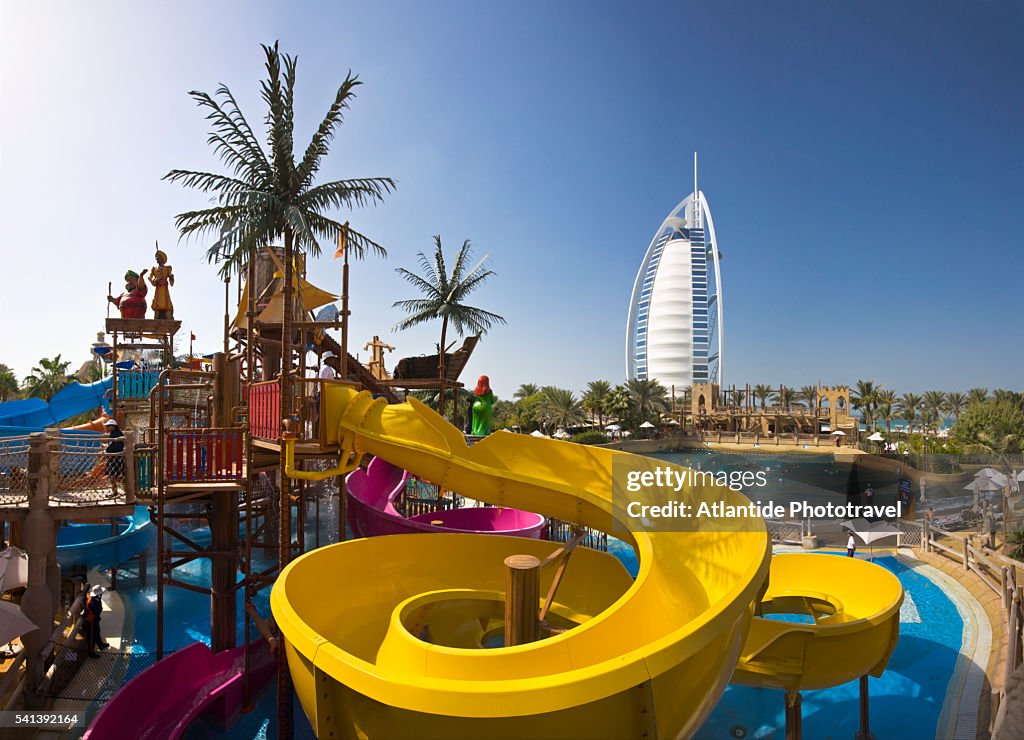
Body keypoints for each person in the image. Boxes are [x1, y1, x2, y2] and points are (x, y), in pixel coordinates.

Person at [148, 248, 175, 320]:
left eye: (158, 258)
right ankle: (157, 315)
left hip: (165, 290)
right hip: (158, 289)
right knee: (157, 304)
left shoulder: (167, 268)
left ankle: (168, 315)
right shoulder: (154, 269)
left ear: (162, 258)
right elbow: (150, 278)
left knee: (166, 303)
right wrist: (156, 279)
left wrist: (171, 278)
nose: (157, 259)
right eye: (156, 258)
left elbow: (171, 282)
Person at [84, 584, 108, 657]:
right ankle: (91, 653)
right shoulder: (93, 602)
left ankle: (100, 644)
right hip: (91, 621)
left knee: (97, 632)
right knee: (91, 637)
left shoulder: (94, 599)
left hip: (95, 619)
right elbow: (98, 611)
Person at [104, 419, 125, 495]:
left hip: (115, 458)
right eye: (107, 426)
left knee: (113, 475)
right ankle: (120, 490)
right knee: (116, 475)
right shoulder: (115, 433)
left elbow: (116, 446)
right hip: (115, 457)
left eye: (109, 426)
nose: (107, 427)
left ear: (113, 426)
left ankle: (115, 491)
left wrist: (107, 450)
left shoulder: (115, 435)